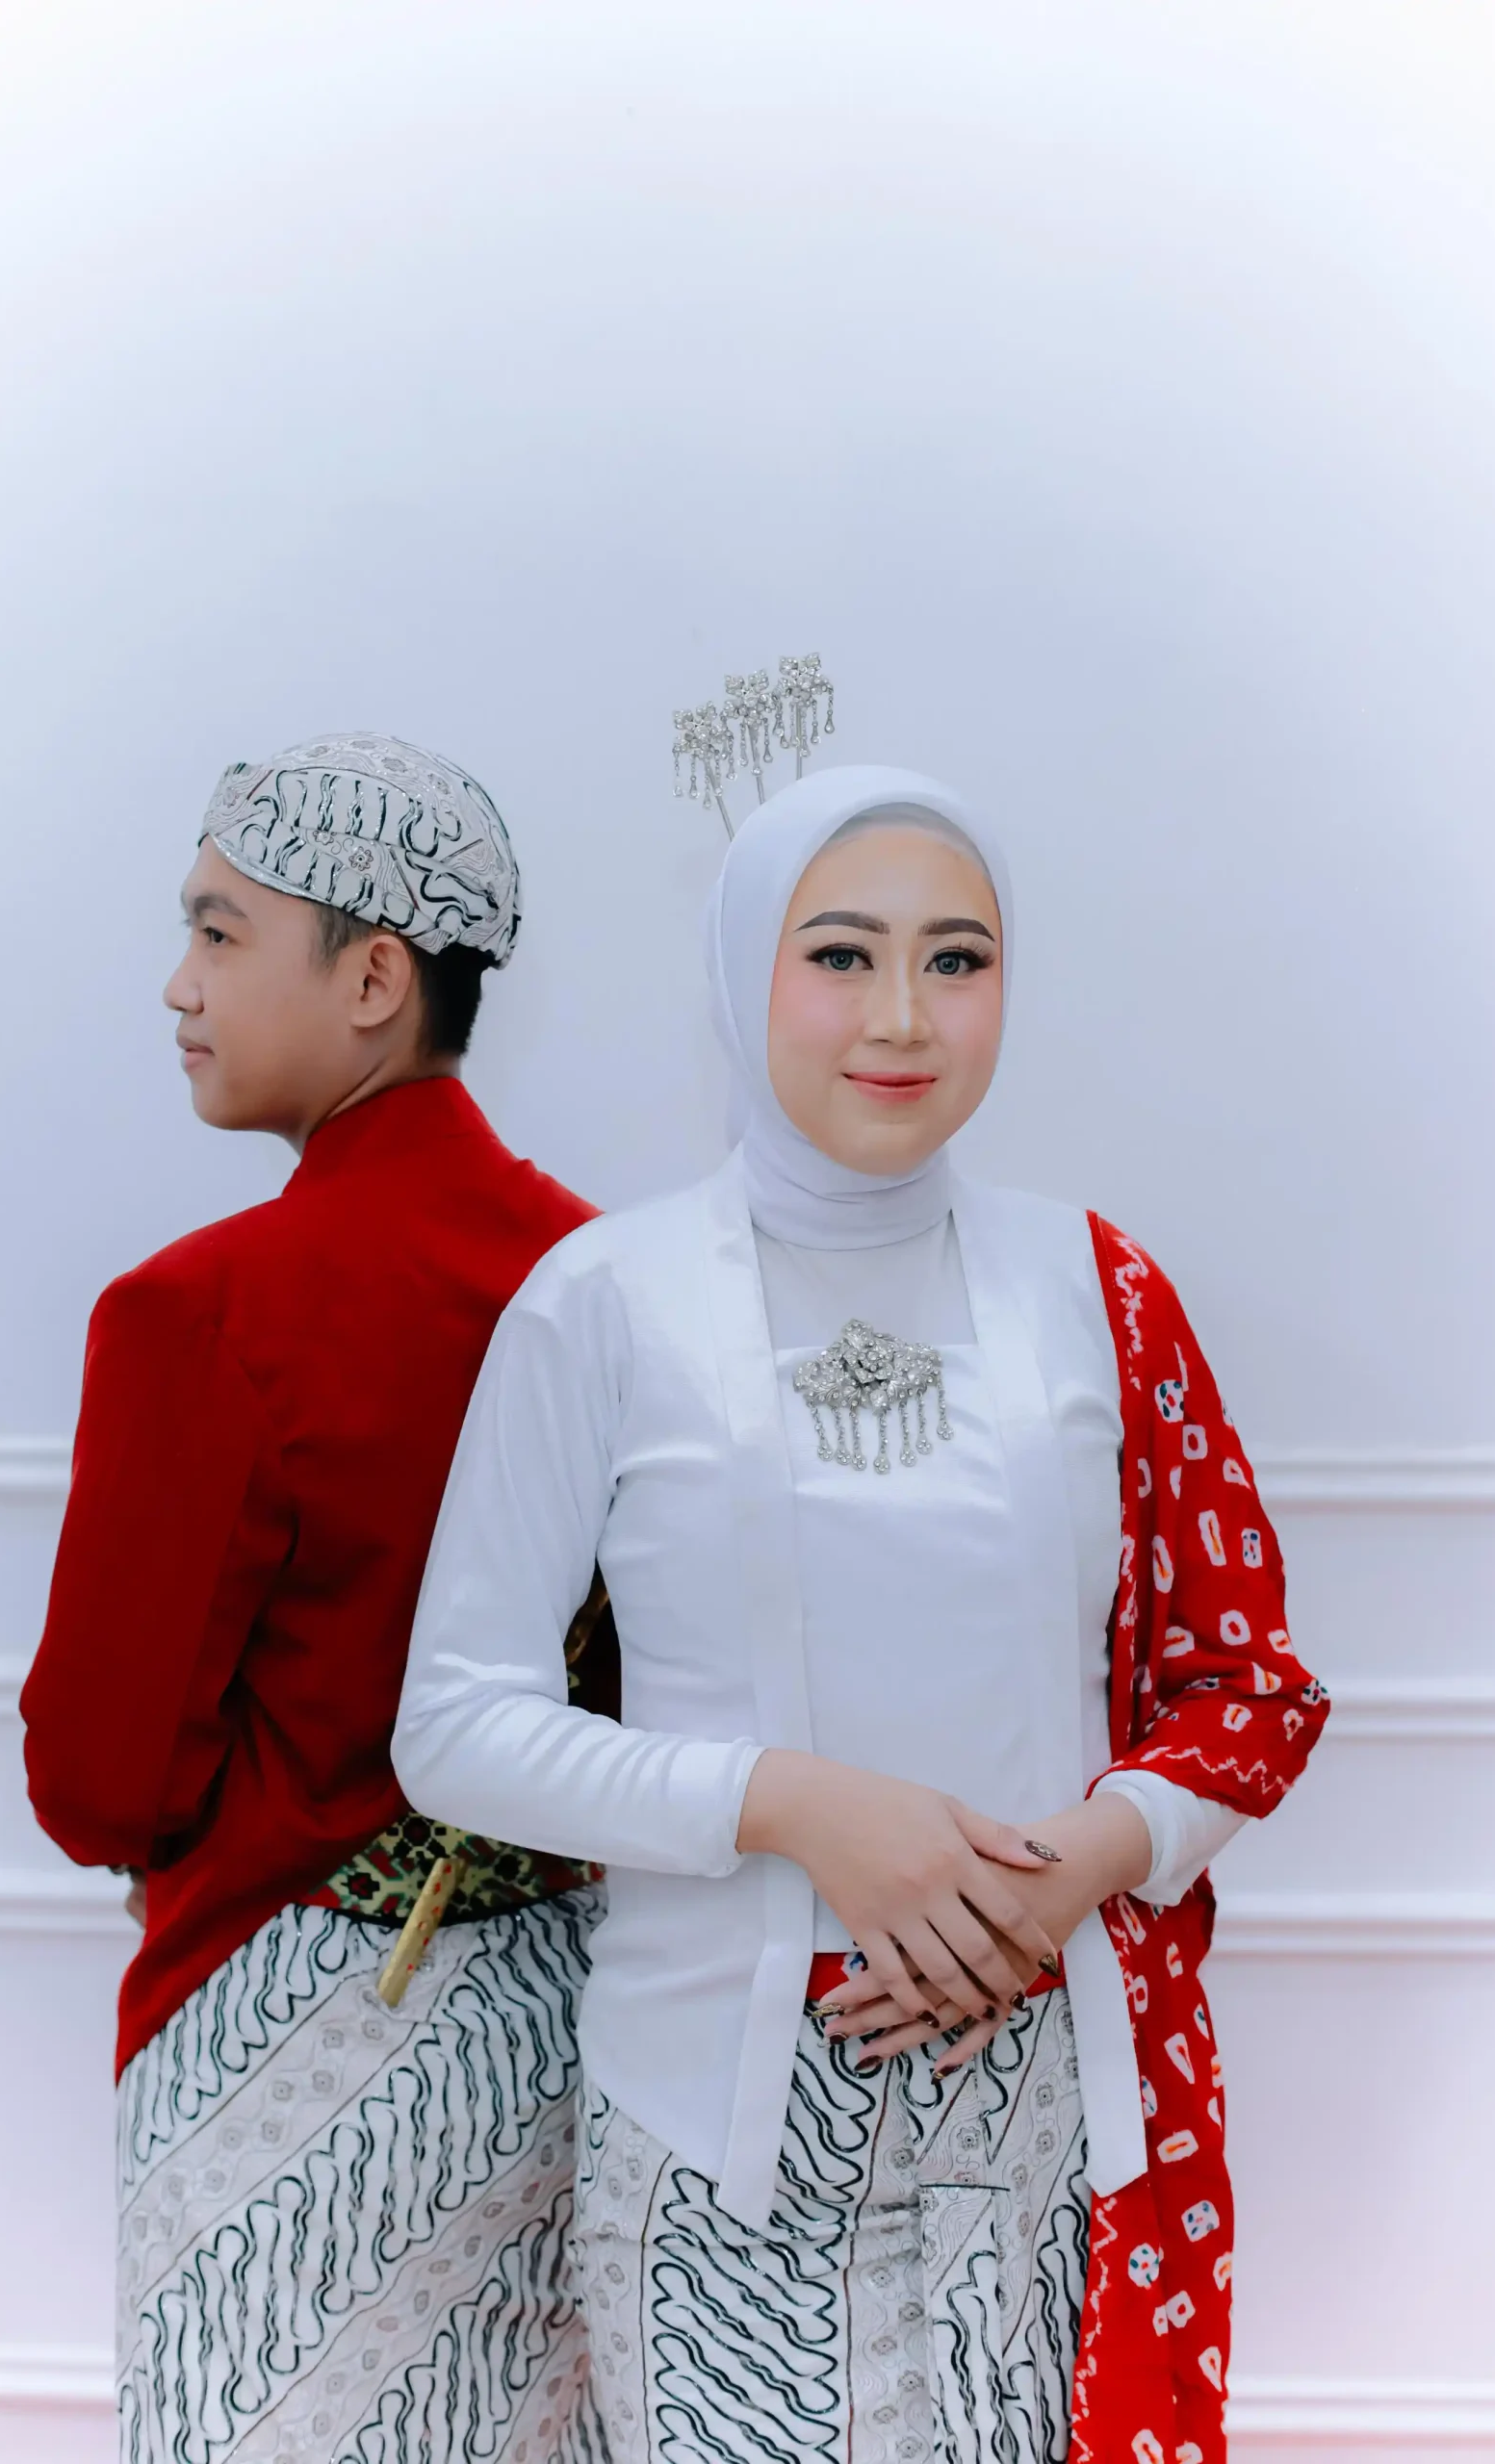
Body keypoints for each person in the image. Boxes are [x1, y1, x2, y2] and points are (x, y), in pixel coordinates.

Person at [394, 763, 1329, 2464]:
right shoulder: (602, 1301)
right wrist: (795, 1805)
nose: (902, 1015)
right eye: (839, 955)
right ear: (742, 970)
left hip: (1049, 2117)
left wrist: (1070, 1869)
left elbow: (1244, 1687)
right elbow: (456, 1726)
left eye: (955, 961)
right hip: (714, 2136)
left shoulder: (1098, 1287)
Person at [21, 734, 608, 2464]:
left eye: (218, 933)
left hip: (284, 2030)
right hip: (570, 2021)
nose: (178, 986)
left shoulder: (204, 1312)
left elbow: (99, 1782)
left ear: (371, 980)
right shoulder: (604, 1277)